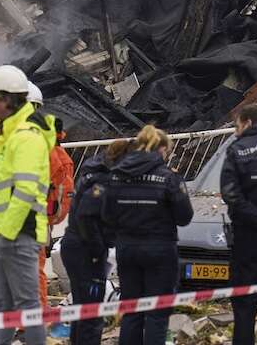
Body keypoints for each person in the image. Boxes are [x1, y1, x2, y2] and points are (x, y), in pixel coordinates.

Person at [103, 125, 192, 345]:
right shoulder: (169, 178)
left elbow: (106, 214)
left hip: (127, 250)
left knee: (132, 311)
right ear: (161, 149)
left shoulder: (116, 175)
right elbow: (184, 217)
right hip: (160, 250)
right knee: (156, 314)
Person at [0, 65, 50, 345]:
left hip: (17, 234)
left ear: (6, 100)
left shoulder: (25, 137)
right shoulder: (7, 134)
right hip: (5, 234)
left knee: (27, 306)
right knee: (3, 307)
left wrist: (7, 232)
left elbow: (25, 190)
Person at [61, 139, 126, 345]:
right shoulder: (102, 181)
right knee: (92, 310)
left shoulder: (93, 173)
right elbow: (86, 216)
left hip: (77, 247)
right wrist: (99, 249)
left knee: (83, 308)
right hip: (87, 252)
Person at [221, 104, 257, 345]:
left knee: (244, 304)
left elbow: (231, 194)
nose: (236, 131)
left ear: (249, 122)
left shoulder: (237, 149)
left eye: (237, 125)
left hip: (247, 237)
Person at [25, 82, 74, 308]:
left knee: (31, 272)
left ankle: (32, 322)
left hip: (28, 219)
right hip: (33, 219)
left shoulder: (43, 146)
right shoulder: (52, 149)